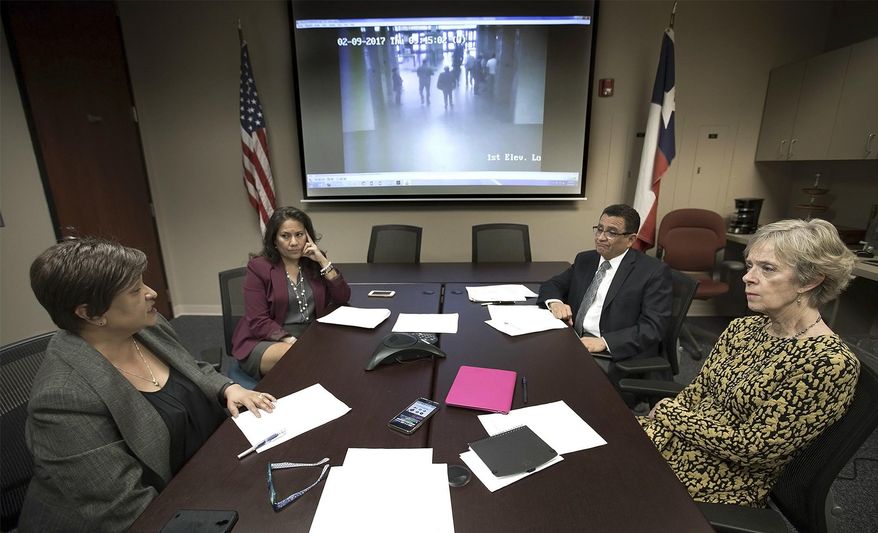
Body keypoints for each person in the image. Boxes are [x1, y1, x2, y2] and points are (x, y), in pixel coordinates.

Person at [20, 238, 275, 532]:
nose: (151, 293)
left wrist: (228, 387)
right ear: (90, 313)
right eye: (134, 290)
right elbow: (126, 509)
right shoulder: (63, 399)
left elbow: (192, 367)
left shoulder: (146, 326)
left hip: (203, 477)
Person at [640, 218, 860, 507]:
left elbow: (752, 448)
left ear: (810, 280)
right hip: (678, 442)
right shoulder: (743, 328)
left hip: (721, 479)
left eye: (767, 268)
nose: (747, 277)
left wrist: (669, 414)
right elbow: (697, 392)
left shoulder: (827, 363)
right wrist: (659, 427)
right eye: (750, 266)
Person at [538, 204, 672, 388]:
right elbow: (552, 285)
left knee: (557, 382)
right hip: (574, 339)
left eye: (611, 232)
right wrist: (555, 303)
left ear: (630, 239)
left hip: (613, 354)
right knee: (534, 361)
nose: (600, 237)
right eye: (599, 229)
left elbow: (653, 327)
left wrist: (604, 342)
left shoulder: (652, 272)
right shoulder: (586, 259)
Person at [232, 206, 350, 380]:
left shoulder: (313, 262)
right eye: (285, 236)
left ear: (308, 236)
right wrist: (292, 341)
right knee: (305, 358)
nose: (293, 242)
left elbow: (342, 297)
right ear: (274, 240)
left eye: (299, 235)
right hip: (266, 340)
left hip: (309, 337)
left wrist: (323, 261)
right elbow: (258, 320)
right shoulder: (259, 268)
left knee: (345, 351)